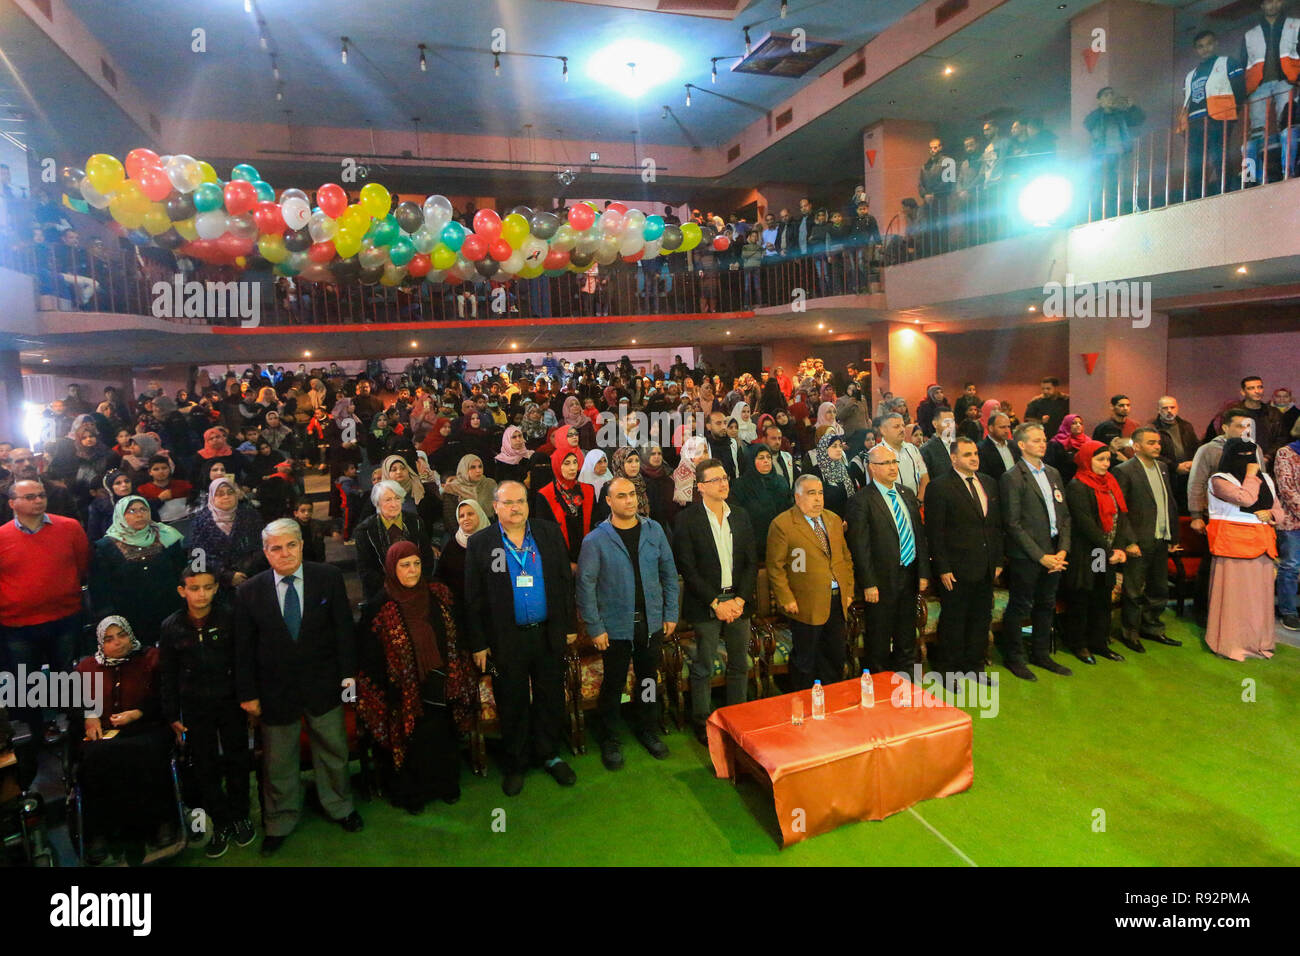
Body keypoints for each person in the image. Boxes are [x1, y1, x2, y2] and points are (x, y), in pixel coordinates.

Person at [235, 518, 362, 855]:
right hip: (275, 691)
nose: (285, 553)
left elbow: (343, 631)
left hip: (323, 684)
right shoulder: (249, 591)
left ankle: (340, 806)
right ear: (266, 551)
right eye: (276, 547)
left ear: (302, 546)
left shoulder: (328, 577)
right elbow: (243, 649)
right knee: (278, 762)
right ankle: (280, 820)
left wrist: (348, 674)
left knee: (334, 751)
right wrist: (248, 694)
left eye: (291, 545)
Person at [464, 481, 577, 795]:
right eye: (508, 503)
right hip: (506, 639)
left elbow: (564, 582)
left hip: (546, 633)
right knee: (511, 701)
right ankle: (516, 762)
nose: (516, 508)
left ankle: (550, 755)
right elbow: (473, 599)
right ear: (495, 506)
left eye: (521, 502)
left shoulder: (548, 533)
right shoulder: (481, 543)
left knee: (550, 696)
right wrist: (479, 643)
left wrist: (568, 626)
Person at [356, 542, 476, 814]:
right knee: (413, 741)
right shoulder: (380, 605)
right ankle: (414, 794)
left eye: (416, 564)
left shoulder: (439, 593)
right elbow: (369, 654)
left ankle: (446, 786)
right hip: (403, 692)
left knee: (442, 736)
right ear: (392, 568)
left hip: (443, 682)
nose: (412, 570)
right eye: (404, 565)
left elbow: (458, 631)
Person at [577, 477, 678, 769]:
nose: (629, 500)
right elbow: (586, 586)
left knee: (648, 679)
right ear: (608, 501)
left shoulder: (653, 530)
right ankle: (610, 737)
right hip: (615, 626)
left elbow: (669, 575)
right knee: (614, 683)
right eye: (621, 496)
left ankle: (647, 727)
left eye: (632, 494)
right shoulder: (596, 540)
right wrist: (595, 627)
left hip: (651, 623)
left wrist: (670, 613)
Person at [158, 568, 254, 859]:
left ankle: (240, 814)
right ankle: (219, 819)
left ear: (216, 589)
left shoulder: (230, 617)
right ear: (181, 591)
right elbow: (168, 673)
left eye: (208, 587)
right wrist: (172, 713)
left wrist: (248, 698)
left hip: (230, 701)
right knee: (205, 764)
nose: (201, 594)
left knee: (238, 758)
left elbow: (243, 661)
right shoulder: (171, 626)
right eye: (194, 588)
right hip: (195, 706)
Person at [74, 616, 178, 865]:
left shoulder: (150, 658)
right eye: (109, 639)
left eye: (121, 635)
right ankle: (101, 833)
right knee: (93, 758)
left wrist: (138, 712)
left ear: (130, 634)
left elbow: (164, 696)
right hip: (103, 733)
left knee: (149, 751)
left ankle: (160, 822)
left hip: (146, 727)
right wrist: (89, 716)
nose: (117, 643)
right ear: (100, 643)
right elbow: (72, 701)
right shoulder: (86, 667)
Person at [0, 478, 90, 745]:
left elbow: (82, 565)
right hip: (17, 623)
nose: (38, 500)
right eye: (29, 497)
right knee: (25, 682)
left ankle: (73, 731)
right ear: (12, 503)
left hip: (65, 617)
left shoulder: (70, 528)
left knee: (66, 676)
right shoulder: (2, 537)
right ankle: (36, 734)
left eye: (41, 495)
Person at [673, 460, 757, 744]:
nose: (724, 484)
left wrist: (741, 599)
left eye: (725, 478)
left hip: (738, 600)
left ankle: (738, 715)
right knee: (704, 665)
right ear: (701, 487)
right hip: (706, 601)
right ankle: (702, 719)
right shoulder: (687, 520)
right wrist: (715, 603)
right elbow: (687, 567)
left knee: (739, 663)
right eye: (716, 480)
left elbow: (750, 562)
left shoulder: (741, 515)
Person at [765, 475, 856, 689]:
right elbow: (776, 567)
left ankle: (833, 701)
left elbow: (846, 558)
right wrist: (786, 598)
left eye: (821, 493)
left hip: (837, 599)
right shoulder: (783, 524)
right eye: (811, 493)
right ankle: (804, 703)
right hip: (805, 603)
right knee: (806, 659)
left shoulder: (833, 519)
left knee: (835, 654)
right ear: (797, 497)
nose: (818, 499)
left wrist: (849, 590)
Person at [846, 444, 929, 675]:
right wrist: (868, 583)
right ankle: (881, 689)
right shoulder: (862, 500)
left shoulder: (907, 494)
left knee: (906, 635)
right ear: (872, 468)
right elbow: (860, 546)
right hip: (880, 582)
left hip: (909, 574)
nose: (893, 468)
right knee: (879, 639)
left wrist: (923, 572)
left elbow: (918, 535)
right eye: (886, 463)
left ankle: (907, 684)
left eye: (894, 462)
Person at [999, 423, 1073, 681]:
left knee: (1046, 604)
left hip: (1054, 551)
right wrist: (1040, 556)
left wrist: (1062, 549)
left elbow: (1064, 515)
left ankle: (1041, 653)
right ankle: (1015, 657)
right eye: (1036, 440)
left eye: (1044, 439)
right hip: (1028, 556)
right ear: (1021, 445)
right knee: (1020, 606)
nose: (1043, 444)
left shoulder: (1053, 473)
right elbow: (1013, 524)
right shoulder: (1012, 477)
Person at [924, 437, 1003, 681]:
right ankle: (949, 672)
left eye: (975, 453)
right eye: (967, 454)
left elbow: (995, 526)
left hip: (986, 566)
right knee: (954, 622)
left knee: (980, 619)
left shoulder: (988, 483)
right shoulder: (939, 487)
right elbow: (935, 533)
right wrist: (943, 568)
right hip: (956, 569)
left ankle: (974, 666)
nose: (974, 458)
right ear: (954, 458)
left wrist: (998, 561)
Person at [1204, 439, 1283, 660]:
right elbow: (1245, 499)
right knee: (1234, 598)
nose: (1248, 458)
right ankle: (1230, 643)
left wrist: (1272, 515)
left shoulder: (1266, 478)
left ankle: (1259, 642)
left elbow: (1279, 510)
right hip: (1232, 546)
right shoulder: (1219, 480)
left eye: (1252, 453)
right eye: (1242, 454)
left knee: (1260, 598)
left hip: (1264, 545)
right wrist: (1250, 475)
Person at [1061, 441, 1132, 665]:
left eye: (1108, 460)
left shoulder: (1110, 482)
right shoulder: (1077, 485)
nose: (1105, 464)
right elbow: (1085, 524)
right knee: (1083, 597)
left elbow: (1121, 516)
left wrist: (1119, 547)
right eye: (1100, 459)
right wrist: (1109, 550)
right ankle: (1079, 644)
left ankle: (1099, 643)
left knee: (1102, 596)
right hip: (1087, 553)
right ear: (1086, 460)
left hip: (1103, 553)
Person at [1187, 409, 1262, 618]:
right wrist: (1195, 516)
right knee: (1211, 565)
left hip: (1248, 518)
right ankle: (1203, 612)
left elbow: (1261, 481)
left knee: (1241, 568)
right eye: (1239, 426)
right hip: (1217, 517)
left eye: (1248, 426)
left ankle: (1236, 613)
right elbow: (1196, 483)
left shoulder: (1256, 449)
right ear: (1225, 427)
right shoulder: (1208, 450)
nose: (1245, 430)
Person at [1113, 427, 1182, 652]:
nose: (1157, 446)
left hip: (1161, 537)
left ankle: (1152, 627)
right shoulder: (1124, 470)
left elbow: (1168, 502)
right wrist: (1129, 541)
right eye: (1151, 442)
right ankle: (1130, 632)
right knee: (1133, 590)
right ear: (1137, 446)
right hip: (1139, 540)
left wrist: (1173, 535)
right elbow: (1120, 511)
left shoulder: (1162, 467)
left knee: (1159, 587)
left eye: (1158, 443)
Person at [89, 496, 186, 648]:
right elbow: (100, 589)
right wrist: (110, 620)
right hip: (130, 617)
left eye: (143, 509)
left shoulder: (166, 536)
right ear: (120, 515)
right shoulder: (105, 547)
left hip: (170, 611)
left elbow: (182, 572)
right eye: (132, 511)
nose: (139, 515)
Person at [1181, 30, 1245, 198]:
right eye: (1200, 46)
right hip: (1195, 121)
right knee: (1195, 161)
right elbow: (1188, 100)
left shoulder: (1228, 63)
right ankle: (1195, 196)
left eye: (1209, 44)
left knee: (1219, 155)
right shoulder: (1190, 75)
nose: (1205, 49)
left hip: (1219, 117)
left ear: (1216, 44)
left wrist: (1232, 112)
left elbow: (1239, 89)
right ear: (1196, 50)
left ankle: (1226, 190)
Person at [354, 480, 435, 604]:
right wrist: (394, 586)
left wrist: (415, 581)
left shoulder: (416, 522)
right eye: (388, 500)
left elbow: (427, 557)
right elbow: (366, 570)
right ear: (377, 503)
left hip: (417, 585)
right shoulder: (365, 531)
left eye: (397, 498)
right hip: (383, 592)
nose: (394, 504)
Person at [187, 476, 265, 592]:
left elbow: (263, 547)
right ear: (212, 498)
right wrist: (227, 575)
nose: (226, 497)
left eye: (230, 492)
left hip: (252, 577)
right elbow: (197, 559)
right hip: (215, 583)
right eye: (220, 494)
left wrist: (244, 573)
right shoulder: (200, 522)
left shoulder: (251, 516)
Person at [1084, 87, 1145, 216]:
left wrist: (1132, 107)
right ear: (1099, 100)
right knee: (1099, 185)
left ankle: (1115, 212)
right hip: (1101, 155)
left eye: (1112, 94)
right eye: (1106, 95)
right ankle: (1097, 213)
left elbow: (1139, 119)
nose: (1110, 97)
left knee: (1116, 185)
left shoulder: (1120, 114)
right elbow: (1087, 124)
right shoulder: (1096, 116)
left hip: (1118, 154)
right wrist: (1103, 109)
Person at [534, 446, 596, 567]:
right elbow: (545, 535)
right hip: (560, 561)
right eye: (566, 463)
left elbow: (595, 524)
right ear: (557, 465)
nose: (573, 468)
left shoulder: (588, 490)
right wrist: (565, 563)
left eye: (575, 462)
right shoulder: (545, 495)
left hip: (588, 556)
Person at [733, 445, 793, 559]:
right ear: (751, 461)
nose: (766, 461)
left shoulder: (781, 481)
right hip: (754, 544)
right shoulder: (741, 485)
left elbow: (789, 508)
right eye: (761, 458)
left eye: (768, 457)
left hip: (781, 540)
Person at [1273, 427, 1300, 631]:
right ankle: (1288, 611)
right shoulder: (1285, 452)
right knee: (1290, 566)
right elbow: (1286, 488)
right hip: (1291, 520)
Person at [1152, 395, 1199, 512]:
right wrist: (1175, 466)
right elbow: (1153, 454)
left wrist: (1193, 462)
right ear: (1158, 410)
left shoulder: (1186, 426)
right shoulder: (1153, 428)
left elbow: (1196, 446)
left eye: (1172, 407)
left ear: (1177, 408)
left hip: (1188, 473)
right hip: (1166, 475)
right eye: (1165, 408)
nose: (1169, 411)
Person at [876, 412, 928, 501]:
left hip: (916, 503)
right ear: (883, 430)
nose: (902, 429)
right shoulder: (876, 453)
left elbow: (924, 476)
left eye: (903, 426)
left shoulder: (913, 449)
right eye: (896, 426)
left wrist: (919, 500)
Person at [440, 453, 498, 530]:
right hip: (465, 532)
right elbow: (451, 520)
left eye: (480, 467)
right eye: (472, 467)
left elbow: (499, 511)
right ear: (464, 469)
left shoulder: (489, 484)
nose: (478, 470)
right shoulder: (452, 489)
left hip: (491, 528)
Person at [88, 469, 134, 541]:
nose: (124, 485)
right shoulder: (102, 507)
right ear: (109, 487)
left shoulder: (141, 501)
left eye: (127, 481)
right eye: (118, 483)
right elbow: (94, 533)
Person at [1045, 413, 1089, 484]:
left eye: (1080, 423)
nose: (1078, 425)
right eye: (1074, 423)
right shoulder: (1055, 443)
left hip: (1083, 481)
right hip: (1061, 481)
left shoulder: (1088, 442)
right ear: (1067, 424)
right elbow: (1049, 465)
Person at [1092, 395, 1137, 460]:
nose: (1125, 408)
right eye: (1121, 405)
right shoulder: (1104, 427)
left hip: (1133, 462)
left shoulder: (1135, 425)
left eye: (1128, 405)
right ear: (1112, 407)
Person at [978, 412, 1021, 480]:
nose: (1007, 431)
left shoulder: (1014, 445)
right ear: (991, 428)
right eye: (1002, 427)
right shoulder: (981, 449)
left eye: (1008, 427)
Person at [921, 410, 957, 480]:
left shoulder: (959, 444)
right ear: (935, 424)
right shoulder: (926, 450)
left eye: (952, 421)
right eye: (946, 422)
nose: (951, 425)